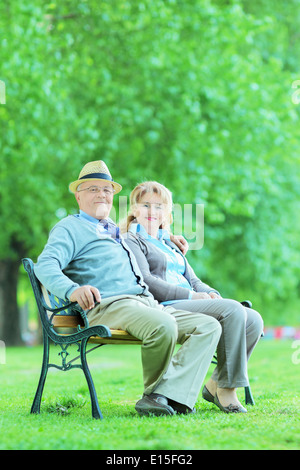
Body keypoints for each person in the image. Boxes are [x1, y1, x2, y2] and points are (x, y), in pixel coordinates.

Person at [34, 161, 221, 417]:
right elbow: (45, 265)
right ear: (78, 195)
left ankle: (164, 396)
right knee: (162, 325)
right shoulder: (70, 227)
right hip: (109, 305)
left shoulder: (114, 230)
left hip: (144, 303)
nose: (102, 194)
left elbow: (146, 238)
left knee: (209, 326)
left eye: (107, 190)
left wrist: (168, 236)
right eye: (93, 189)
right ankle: (156, 396)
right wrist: (72, 290)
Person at [122, 181, 264, 413]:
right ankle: (228, 391)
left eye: (159, 206)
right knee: (232, 310)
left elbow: (193, 279)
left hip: (191, 300)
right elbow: (146, 281)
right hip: (166, 305)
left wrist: (212, 294)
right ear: (134, 209)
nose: (152, 212)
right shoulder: (132, 240)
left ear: (166, 212)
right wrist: (193, 295)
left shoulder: (170, 243)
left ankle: (215, 383)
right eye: (145, 205)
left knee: (254, 319)